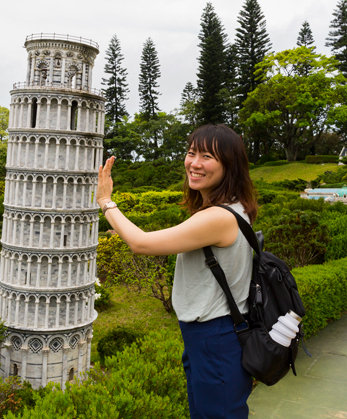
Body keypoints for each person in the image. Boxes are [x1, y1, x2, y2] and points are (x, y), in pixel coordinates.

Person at [97, 124, 256, 419]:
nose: (194, 163)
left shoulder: (219, 217)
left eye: (207, 156)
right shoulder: (223, 208)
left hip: (216, 336)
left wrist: (106, 202)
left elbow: (141, 244)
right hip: (206, 334)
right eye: (191, 152)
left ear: (229, 166)